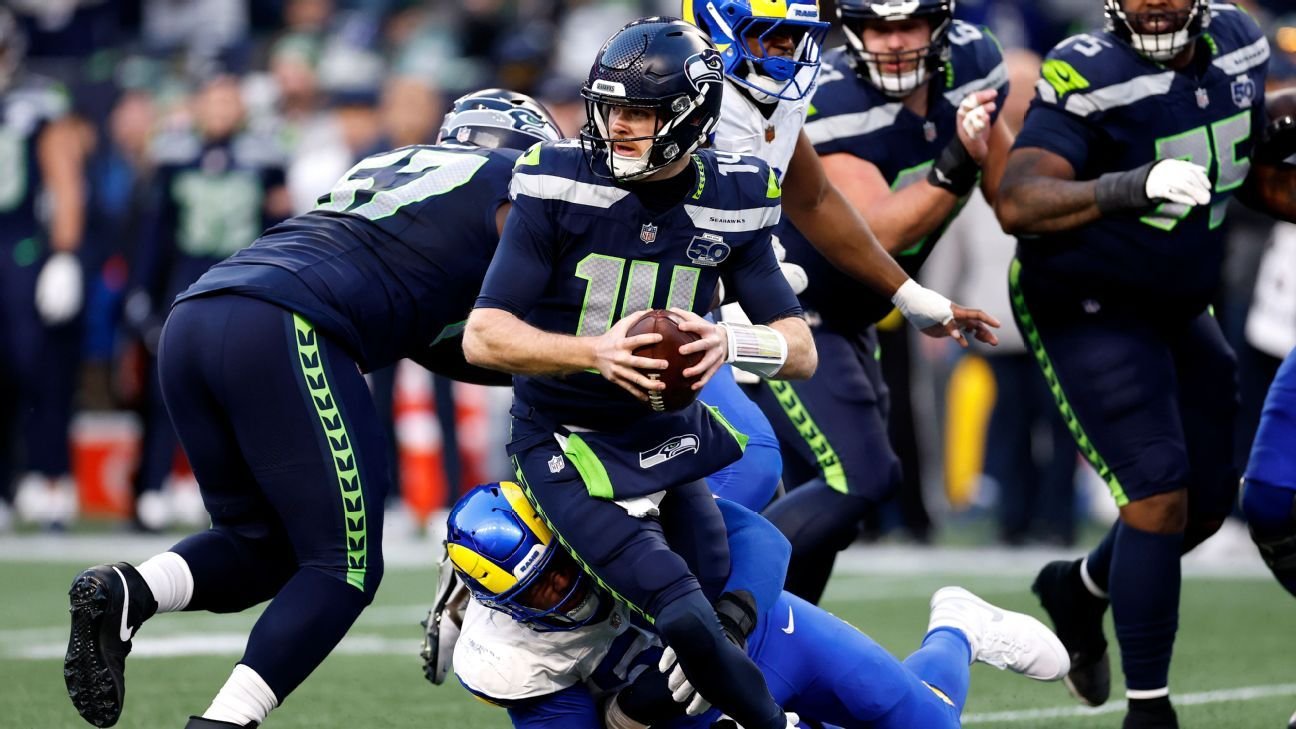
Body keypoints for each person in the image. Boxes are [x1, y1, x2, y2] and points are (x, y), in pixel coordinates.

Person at [61, 88, 563, 729]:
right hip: (285, 324)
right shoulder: (511, 179)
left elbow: (445, 343)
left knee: (260, 548)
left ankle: (127, 590)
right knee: (345, 567)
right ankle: (222, 724)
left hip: (198, 315)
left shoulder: (391, 170)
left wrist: (551, 364)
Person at [463, 18, 815, 729]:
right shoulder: (557, 179)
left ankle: (633, 711)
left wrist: (729, 341)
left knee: (714, 609)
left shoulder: (737, 194)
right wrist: (594, 352)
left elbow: (800, 348)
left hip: (665, 429)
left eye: (640, 112)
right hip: (564, 435)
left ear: (690, 115)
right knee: (681, 613)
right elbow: (483, 335)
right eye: (609, 108)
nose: (616, 126)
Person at [994, 1, 1296, 726]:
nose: (1153, 2)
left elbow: (1247, 166)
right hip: (1085, 300)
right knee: (1157, 491)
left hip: (1180, 301)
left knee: (1207, 503)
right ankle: (1149, 708)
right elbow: (1019, 200)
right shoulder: (1087, 66)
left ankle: (1080, 587)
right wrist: (1131, 184)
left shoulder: (1238, 40)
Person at [725, 0, 1011, 602]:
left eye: (909, 25)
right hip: (780, 313)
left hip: (846, 313)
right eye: (879, 27)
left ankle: (769, 640)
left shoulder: (972, 61)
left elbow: (1009, 198)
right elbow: (878, 226)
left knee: (833, 509)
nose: (895, 43)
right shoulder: (810, 92)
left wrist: (909, 295)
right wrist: (956, 162)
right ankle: (704, 598)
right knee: (860, 477)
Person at [433, 481, 1070, 729]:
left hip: (761, 635)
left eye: (561, 568)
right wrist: (632, 713)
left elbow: (758, 538)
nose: (565, 590)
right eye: (540, 591)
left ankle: (956, 628)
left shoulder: (603, 507)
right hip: (681, 715)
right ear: (499, 601)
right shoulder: (510, 657)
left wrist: (730, 624)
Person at [123, 74, 290, 531]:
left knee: (243, 393)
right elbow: (155, 234)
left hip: (243, 284)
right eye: (212, 101)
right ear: (197, 106)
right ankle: (152, 486)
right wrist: (142, 291)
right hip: (186, 284)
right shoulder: (174, 157)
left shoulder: (265, 158)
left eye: (227, 101)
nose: (219, 110)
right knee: (165, 389)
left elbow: (280, 231)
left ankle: (243, 493)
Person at [0, 6, 88, 529]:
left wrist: (64, 253)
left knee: (36, 365)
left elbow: (65, 180)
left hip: (21, 248)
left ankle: (50, 479)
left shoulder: (37, 104)